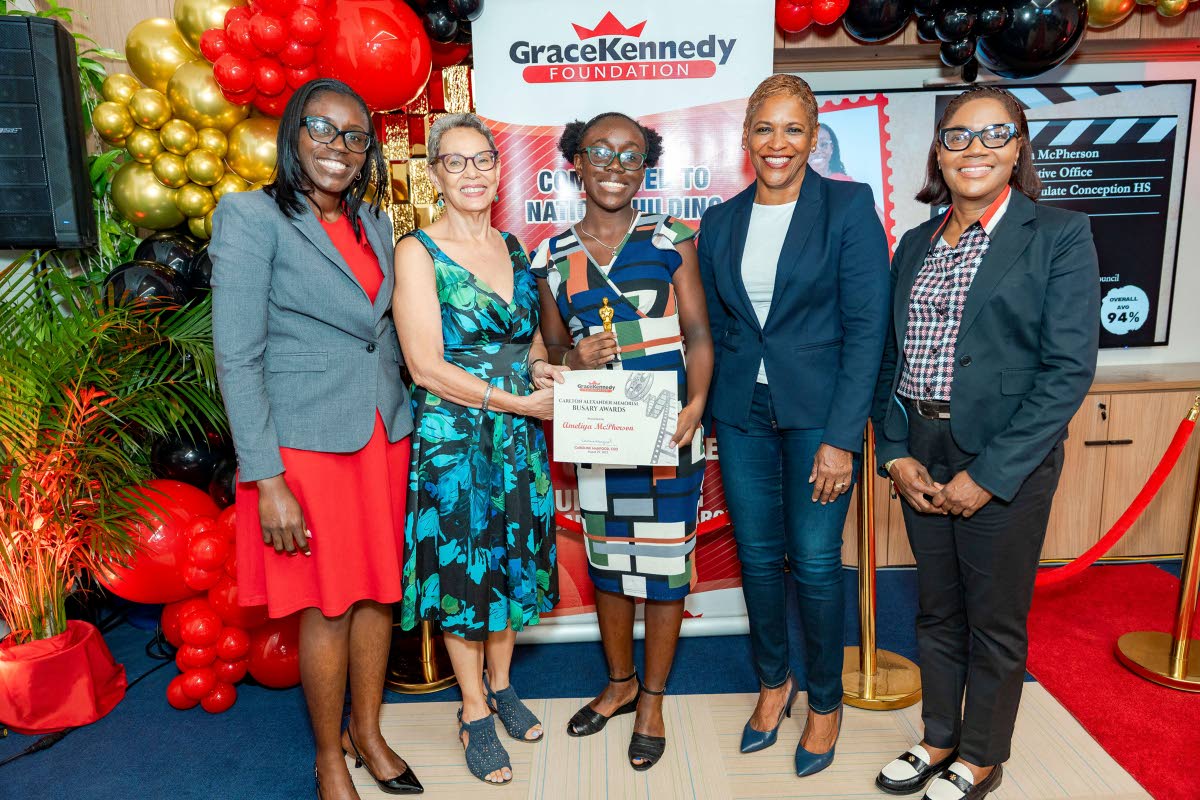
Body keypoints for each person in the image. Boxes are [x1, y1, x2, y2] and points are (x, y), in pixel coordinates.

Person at [871, 85, 1099, 800]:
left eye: (994, 134)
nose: (976, 149)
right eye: (958, 136)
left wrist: (992, 474)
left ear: (1019, 147)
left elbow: (1067, 373)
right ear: (938, 152)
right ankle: (938, 737)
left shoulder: (1058, 234)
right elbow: (890, 359)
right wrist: (895, 451)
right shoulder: (913, 242)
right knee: (936, 609)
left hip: (1006, 459)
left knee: (993, 619)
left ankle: (981, 755)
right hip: (921, 450)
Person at [211, 79, 423, 799]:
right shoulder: (251, 217)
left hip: (381, 434)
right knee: (330, 603)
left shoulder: (376, 225)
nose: (339, 148)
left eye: (356, 137)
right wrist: (265, 477)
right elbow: (235, 356)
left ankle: (368, 731)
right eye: (323, 131)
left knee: (379, 596)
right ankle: (329, 756)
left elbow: (385, 332)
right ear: (293, 135)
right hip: (304, 447)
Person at [696, 74, 890, 777]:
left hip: (821, 417)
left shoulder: (847, 206)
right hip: (742, 412)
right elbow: (719, 326)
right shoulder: (720, 221)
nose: (778, 143)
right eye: (764, 129)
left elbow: (869, 328)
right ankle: (774, 683)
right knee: (754, 558)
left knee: (812, 561)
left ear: (813, 137)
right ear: (746, 136)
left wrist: (843, 437)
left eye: (793, 129)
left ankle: (826, 701)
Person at [532, 111, 713, 772]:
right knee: (609, 564)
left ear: (646, 167)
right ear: (576, 161)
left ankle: (654, 699)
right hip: (602, 429)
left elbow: (697, 332)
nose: (614, 164)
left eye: (630, 154)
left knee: (664, 570)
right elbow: (551, 347)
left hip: (668, 431)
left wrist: (697, 403)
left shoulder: (672, 238)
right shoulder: (549, 256)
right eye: (600, 151)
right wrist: (574, 357)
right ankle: (618, 682)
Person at [392, 113, 562, 787]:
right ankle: (472, 711)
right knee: (467, 574)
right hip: (456, 441)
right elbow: (425, 365)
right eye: (454, 162)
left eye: (481, 160)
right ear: (434, 173)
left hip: (517, 441)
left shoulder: (516, 247)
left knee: (511, 562)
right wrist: (518, 401)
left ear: (498, 169)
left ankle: (501, 684)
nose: (471, 174)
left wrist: (544, 372)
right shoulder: (417, 252)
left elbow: (530, 343)